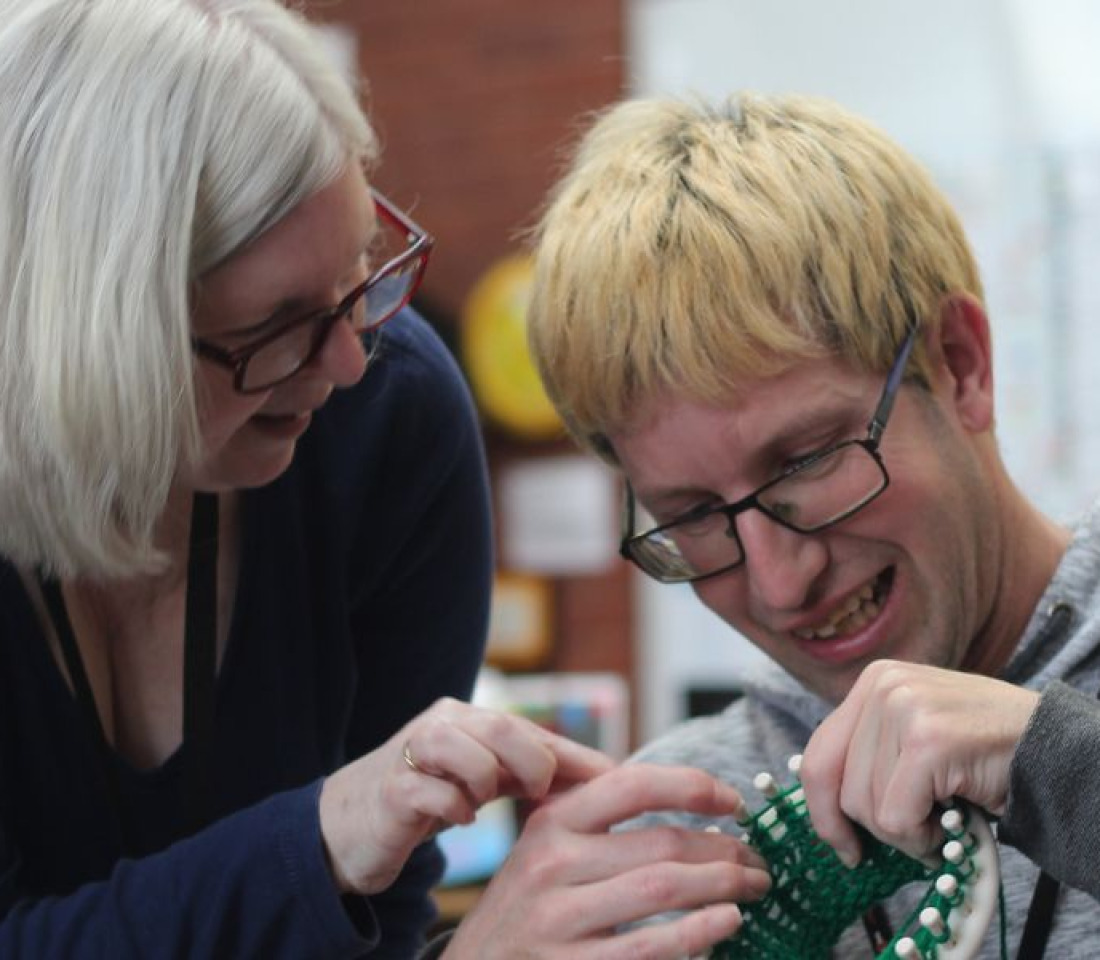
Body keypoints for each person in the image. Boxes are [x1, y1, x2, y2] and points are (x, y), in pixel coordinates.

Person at [0, 2, 774, 957]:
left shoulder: (388, 424)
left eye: (363, 270)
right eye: (277, 326)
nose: (349, 363)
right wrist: (320, 839)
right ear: (89, 330)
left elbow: (384, 924)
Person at [526, 91, 1100, 957]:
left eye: (805, 462)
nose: (778, 583)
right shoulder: (672, 832)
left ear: (961, 365)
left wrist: (1059, 767)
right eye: (692, 516)